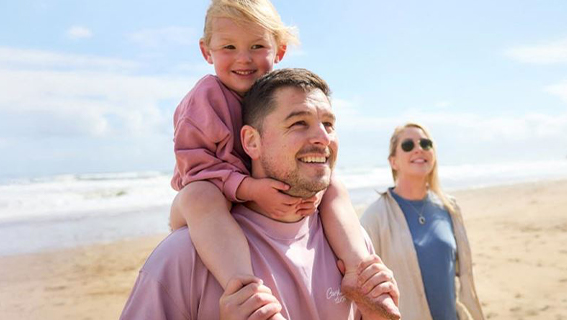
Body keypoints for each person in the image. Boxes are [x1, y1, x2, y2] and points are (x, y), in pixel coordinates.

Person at [168, 0, 398, 317]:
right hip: (208, 194)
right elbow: (195, 168)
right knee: (199, 195)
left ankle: (360, 269)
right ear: (207, 51)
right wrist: (250, 188)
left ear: (280, 50)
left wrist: (310, 192)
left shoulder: (278, 94)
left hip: (260, 194)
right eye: (229, 47)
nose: (243, 58)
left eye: (257, 45)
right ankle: (246, 292)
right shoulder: (204, 100)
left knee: (334, 188)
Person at [123, 68, 398, 319]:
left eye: (328, 124)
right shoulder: (185, 255)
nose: (323, 138)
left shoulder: (349, 243)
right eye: (299, 123)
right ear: (251, 141)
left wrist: (378, 315)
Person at [359, 123, 486, 320]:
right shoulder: (375, 216)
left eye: (426, 144)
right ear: (393, 161)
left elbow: (463, 277)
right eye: (408, 145)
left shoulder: (449, 208)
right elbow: (362, 288)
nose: (419, 149)